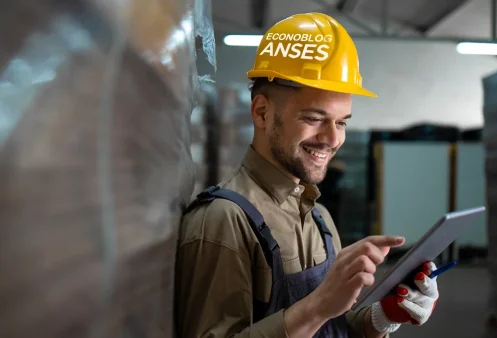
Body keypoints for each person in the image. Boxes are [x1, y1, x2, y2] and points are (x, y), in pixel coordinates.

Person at [175, 12, 440, 338]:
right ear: (262, 112)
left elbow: (332, 327)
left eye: (341, 122)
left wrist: (383, 315)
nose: (332, 139)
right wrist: (318, 306)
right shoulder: (223, 221)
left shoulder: (320, 219)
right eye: (315, 118)